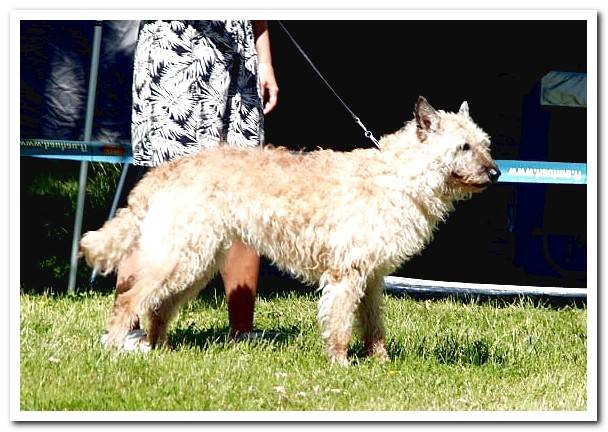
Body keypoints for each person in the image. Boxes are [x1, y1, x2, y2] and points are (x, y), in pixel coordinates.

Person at [116, 20, 278, 342]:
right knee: (164, 198)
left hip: (237, 62)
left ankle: (241, 330)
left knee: (243, 193)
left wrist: (265, 60)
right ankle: (125, 329)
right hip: (177, 54)